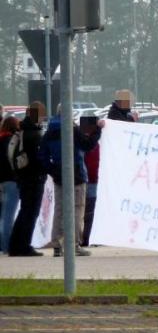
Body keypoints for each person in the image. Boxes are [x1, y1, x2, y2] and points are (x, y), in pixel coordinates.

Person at [40, 106, 102, 257]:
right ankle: (74, 244)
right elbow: (88, 145)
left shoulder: (49, 132)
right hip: (77, 175)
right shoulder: (72, 130)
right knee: (76, 210)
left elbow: (42, 157)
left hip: (59, 177)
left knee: (60, 210)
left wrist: (54, 170)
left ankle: (57, 244)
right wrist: (97, 131)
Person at [7, 102, 47, 257]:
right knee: (31, 213)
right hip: (33, 178)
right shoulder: (33, 134)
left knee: (24, 212)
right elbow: (38, 159)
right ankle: (24, 246)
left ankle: (14, 245)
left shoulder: (21, 130)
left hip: (23, 178)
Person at [0, 116, 21, 253]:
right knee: (8, 215)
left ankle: (3, 244)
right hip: (12, 180)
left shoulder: (0, 139)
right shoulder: (12, 142)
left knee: (3, 214)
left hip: (2, 181)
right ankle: (6, 246)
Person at [81, 144, 99, 247]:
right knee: (89, 210)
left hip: (89, 179)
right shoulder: (92, 143)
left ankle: (85, 237)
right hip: (91, 180)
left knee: (86, 210)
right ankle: (86, 237)